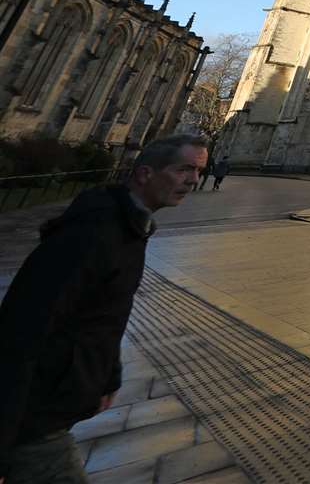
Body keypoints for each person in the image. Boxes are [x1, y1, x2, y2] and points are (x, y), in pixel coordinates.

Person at [0, 134, 208, 484]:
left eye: (199, 171)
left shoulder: (129, 226)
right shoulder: (96, 231)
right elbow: (23, 328)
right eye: (184, 169)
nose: (193, 180)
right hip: (35, 417)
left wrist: (108, 373)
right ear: (144, 173)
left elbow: (105, 315)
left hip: (55, 405)